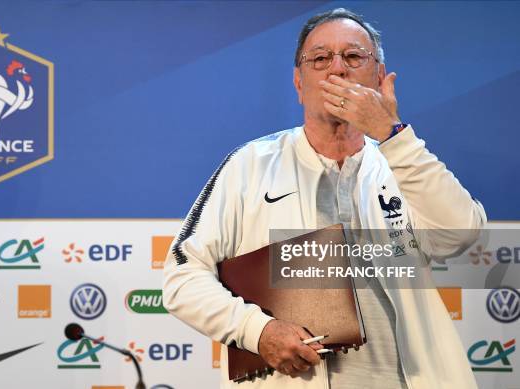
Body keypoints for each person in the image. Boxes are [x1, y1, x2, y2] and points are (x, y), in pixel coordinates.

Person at [163, 8, 485, 389]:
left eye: (353, 57)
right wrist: (257, 330)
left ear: (379, 78)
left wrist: (392, 134)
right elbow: (183, 277)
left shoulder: (405, 163)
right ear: (299, 84)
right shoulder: (250, 165)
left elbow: (461, 235)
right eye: (320, 59)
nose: (337, 70)